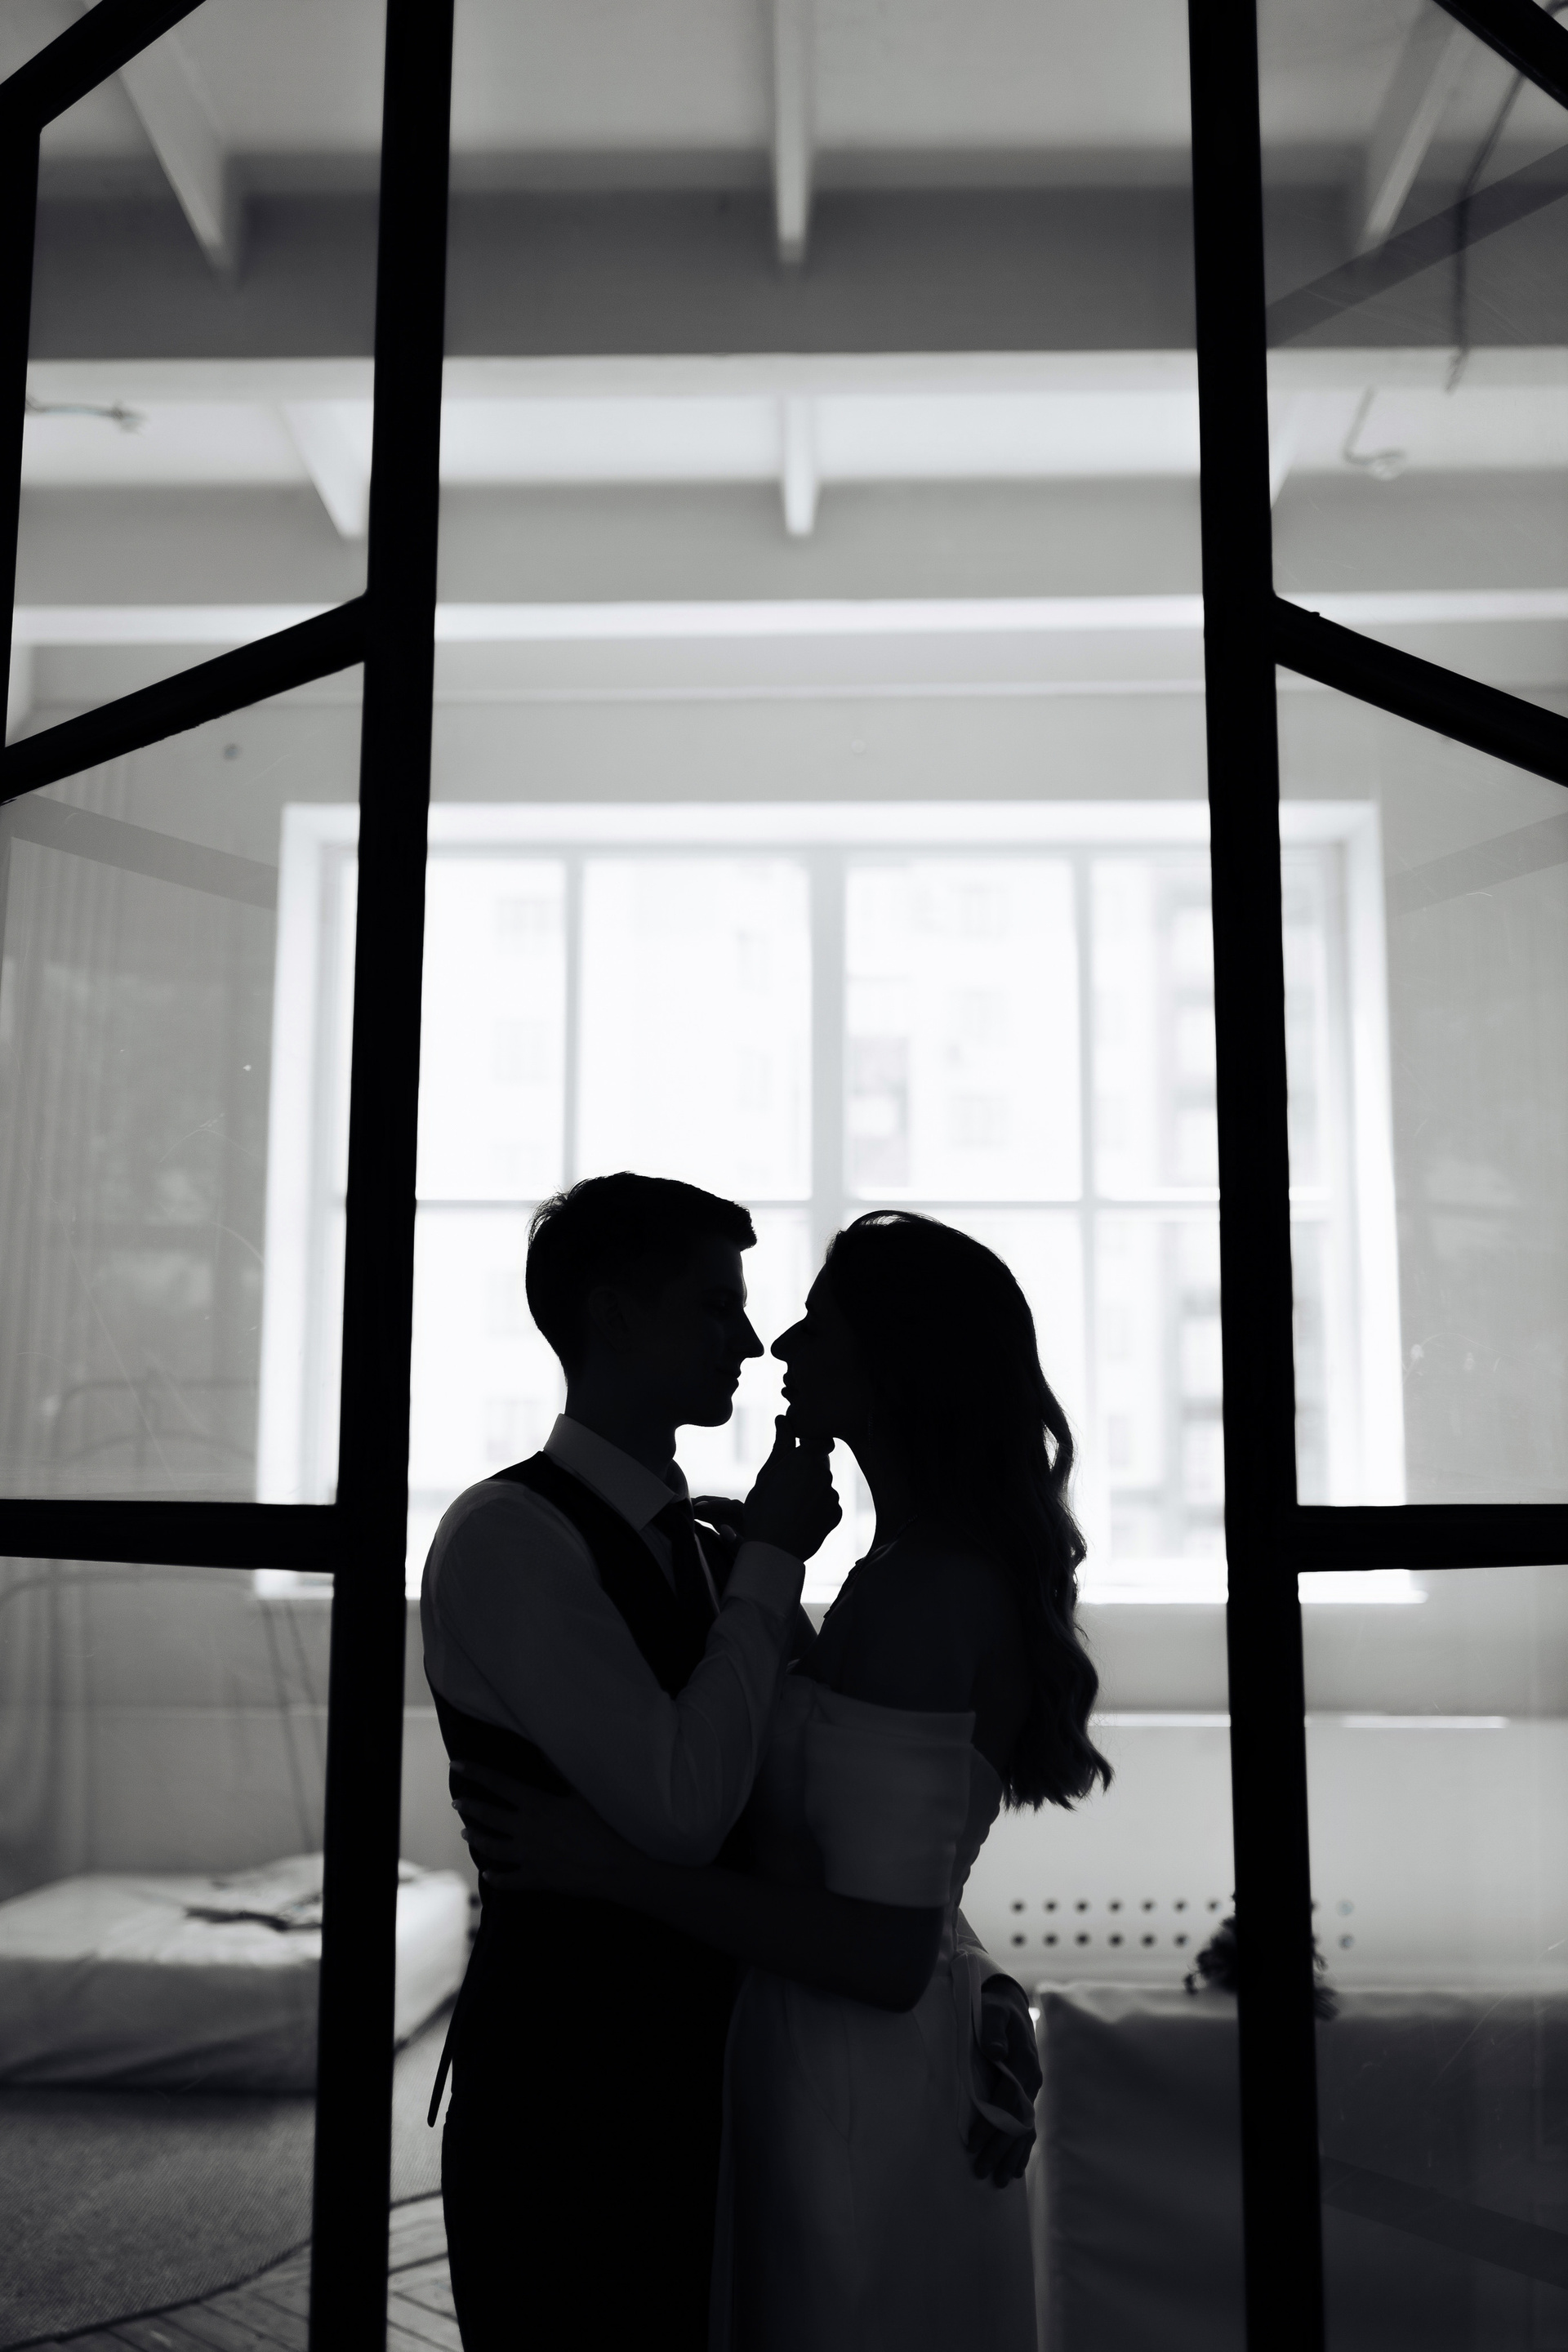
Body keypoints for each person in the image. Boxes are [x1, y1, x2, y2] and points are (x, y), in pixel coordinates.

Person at [458, 1210, 1112, 2352]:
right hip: (621, 2088)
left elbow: (880, 1918)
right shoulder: (545, 1539)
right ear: (616, 1320)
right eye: (722, 1307)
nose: (772, 1344)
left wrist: (968, 1979)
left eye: (815, 1320)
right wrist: (971, 1978)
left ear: (896, 1359)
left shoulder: (871, 1581)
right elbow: (861, 1846)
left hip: (836, 2084)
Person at [421, 1172, 842, 2351]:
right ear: (611, 1317)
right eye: (715, 1307)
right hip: (570, 2090)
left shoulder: (699, 1542)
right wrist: (772, 1566)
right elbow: (680, 1808)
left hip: (712, 2065)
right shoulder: (508, 1536)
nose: (749, 1343)